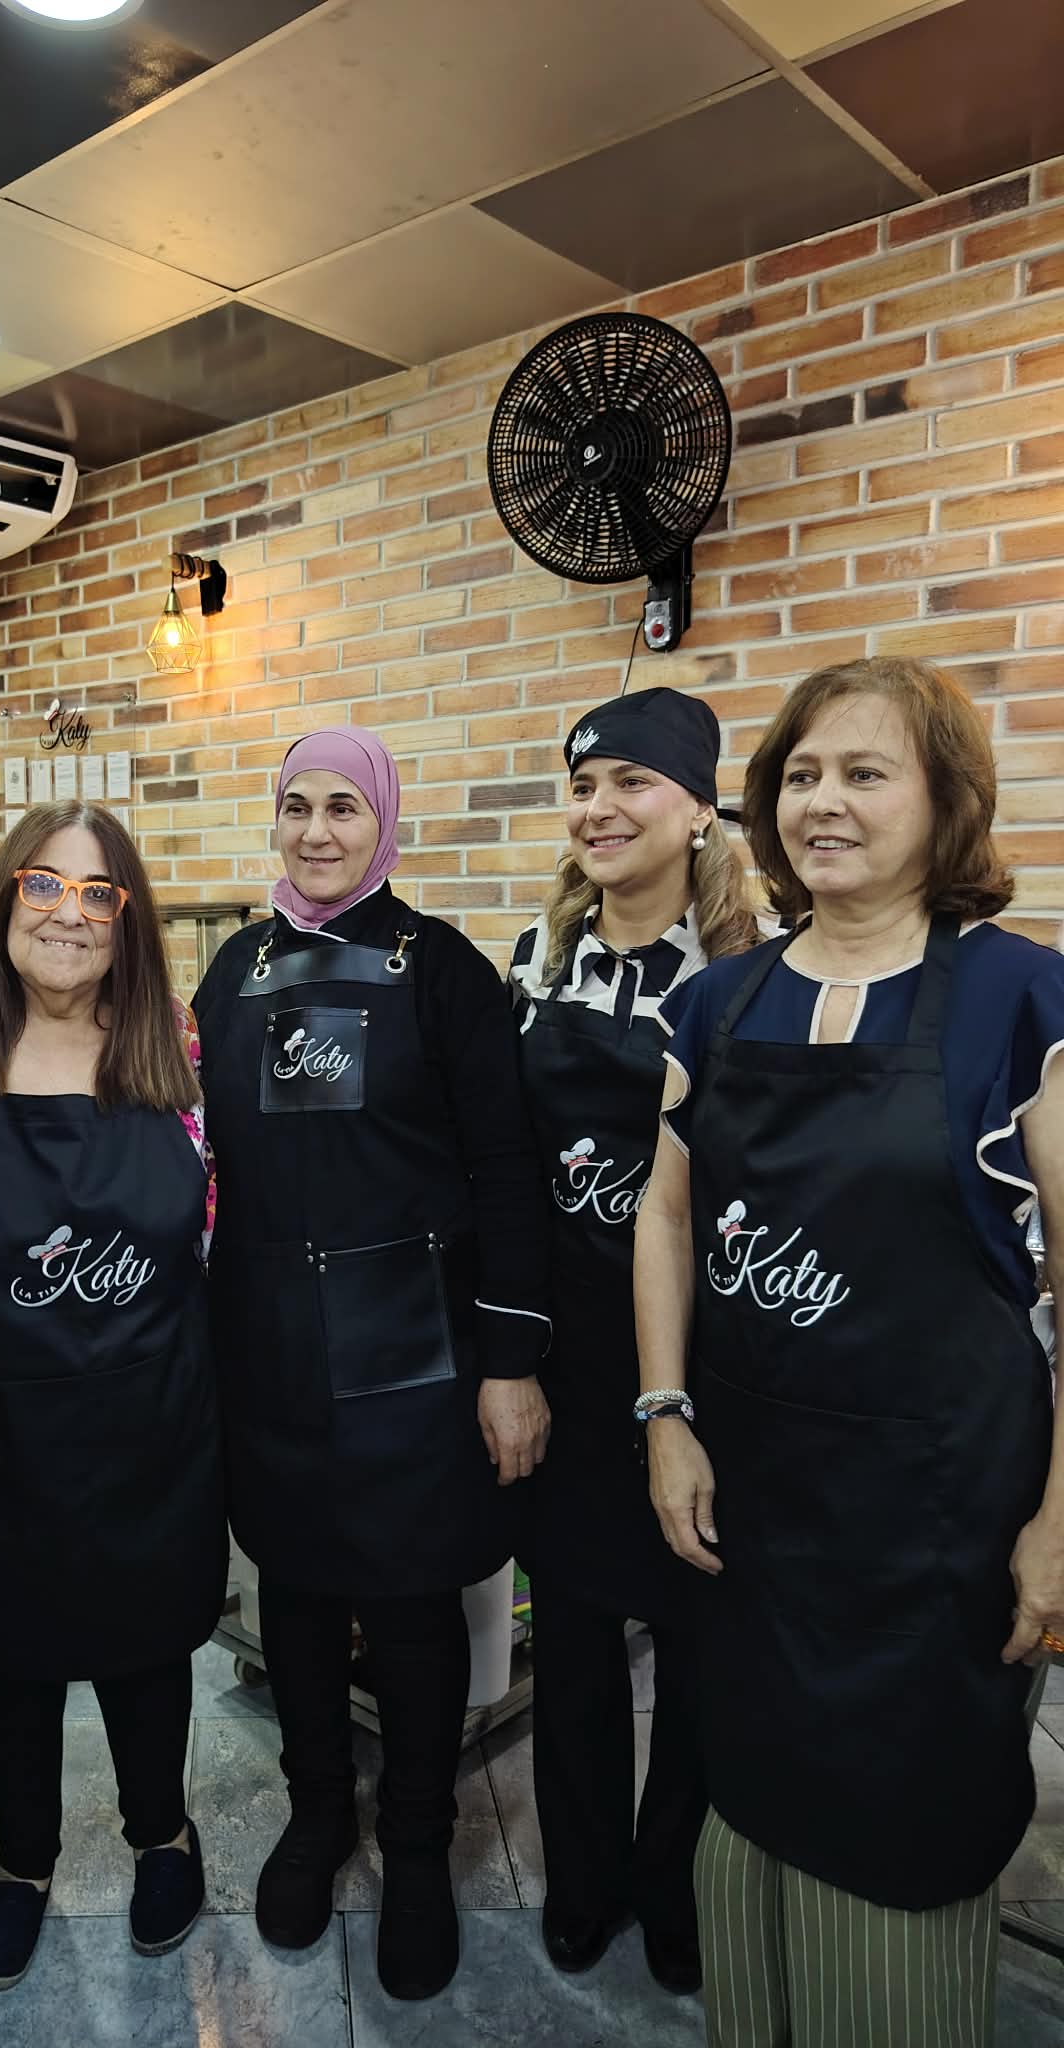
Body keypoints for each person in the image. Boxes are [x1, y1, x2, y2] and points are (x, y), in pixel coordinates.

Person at [634, 656, 1064, 2046]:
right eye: (801, 775)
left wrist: (1061, 1518)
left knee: (905, 1839)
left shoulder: (1023, 1001)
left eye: (865, 772)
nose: (823, 801)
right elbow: (663, 1207)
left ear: (946, 804)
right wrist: (664, 1413)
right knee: (743, 1804)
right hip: (757, 1505)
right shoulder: (721, 1002)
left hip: (937, 1524)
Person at [193, 726, 553, 2002]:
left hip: (418, 1352)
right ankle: (314, 1813)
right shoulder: (230, 971)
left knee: (407, 1603)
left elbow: (510, 1169)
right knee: (289, 1589)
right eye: (297, 805)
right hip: (271, 1348)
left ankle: (413, 1840)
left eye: (346, 805)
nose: (319, 830)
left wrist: (512, 1358)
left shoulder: (440, 968)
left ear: (384, 819)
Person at [0, 801, 223, 1995]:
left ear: (128, 919)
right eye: (44, 886)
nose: (70, 915)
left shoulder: (174, 1041)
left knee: (147, 1650)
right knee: (10, 1660)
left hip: (154, 1426)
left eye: (99, 894)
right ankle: (23, 1860)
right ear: (2, 899)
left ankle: (163, 1835)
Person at [509, 689, 760, 1998]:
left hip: (698, 1361)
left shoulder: (749, 972)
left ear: (697, 806)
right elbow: (502, 1164)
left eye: (631, 784)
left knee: (702, 1648)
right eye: (583, 784)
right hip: (567, 1347)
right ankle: (585, 1878)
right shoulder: (534, 960)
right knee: (579, 1647)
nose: (599, 809)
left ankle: (673, 1883)